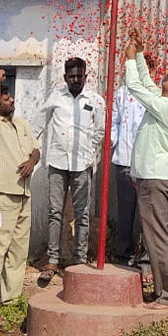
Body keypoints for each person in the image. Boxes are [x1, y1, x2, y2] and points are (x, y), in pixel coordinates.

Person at [123, 30, 168, 310]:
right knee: (154, 237)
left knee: (159, 237)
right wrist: (138, 52)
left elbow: (137, 89)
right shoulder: (163, 103)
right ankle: (164, 293)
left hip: (155, 178)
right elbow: (147, 83)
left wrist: (128, 61)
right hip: (152, 177)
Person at [37, 56, 105, 283]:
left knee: (82, 214)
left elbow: (99, 132)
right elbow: (39, 124)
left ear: (86, 76)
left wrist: (90, 157)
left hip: (82, 164)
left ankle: (79, 261)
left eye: (79, 76)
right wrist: (32, 150)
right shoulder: (56, 98)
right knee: (55, 213)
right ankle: (53, 260)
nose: (76, 80)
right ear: (65, 77)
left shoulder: (95, 101)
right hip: (57, 162)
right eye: (71, 76)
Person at [0, 69, 41, 313]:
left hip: (24, 194)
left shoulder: (21, 124)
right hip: (1, 195)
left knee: (18, 249)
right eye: (6, 98)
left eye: (11, 97)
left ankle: (10, 298)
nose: (12, 100)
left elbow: (36, 149)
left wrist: (32, 161)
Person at [110, 53, 153, 265]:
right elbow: (114, 122)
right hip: (125, 160)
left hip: (147, 164)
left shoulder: (153, 93)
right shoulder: (122, 92)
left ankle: (145, 257)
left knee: (146, 211)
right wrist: (112, 143)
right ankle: (122, 254)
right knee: (125, 211)